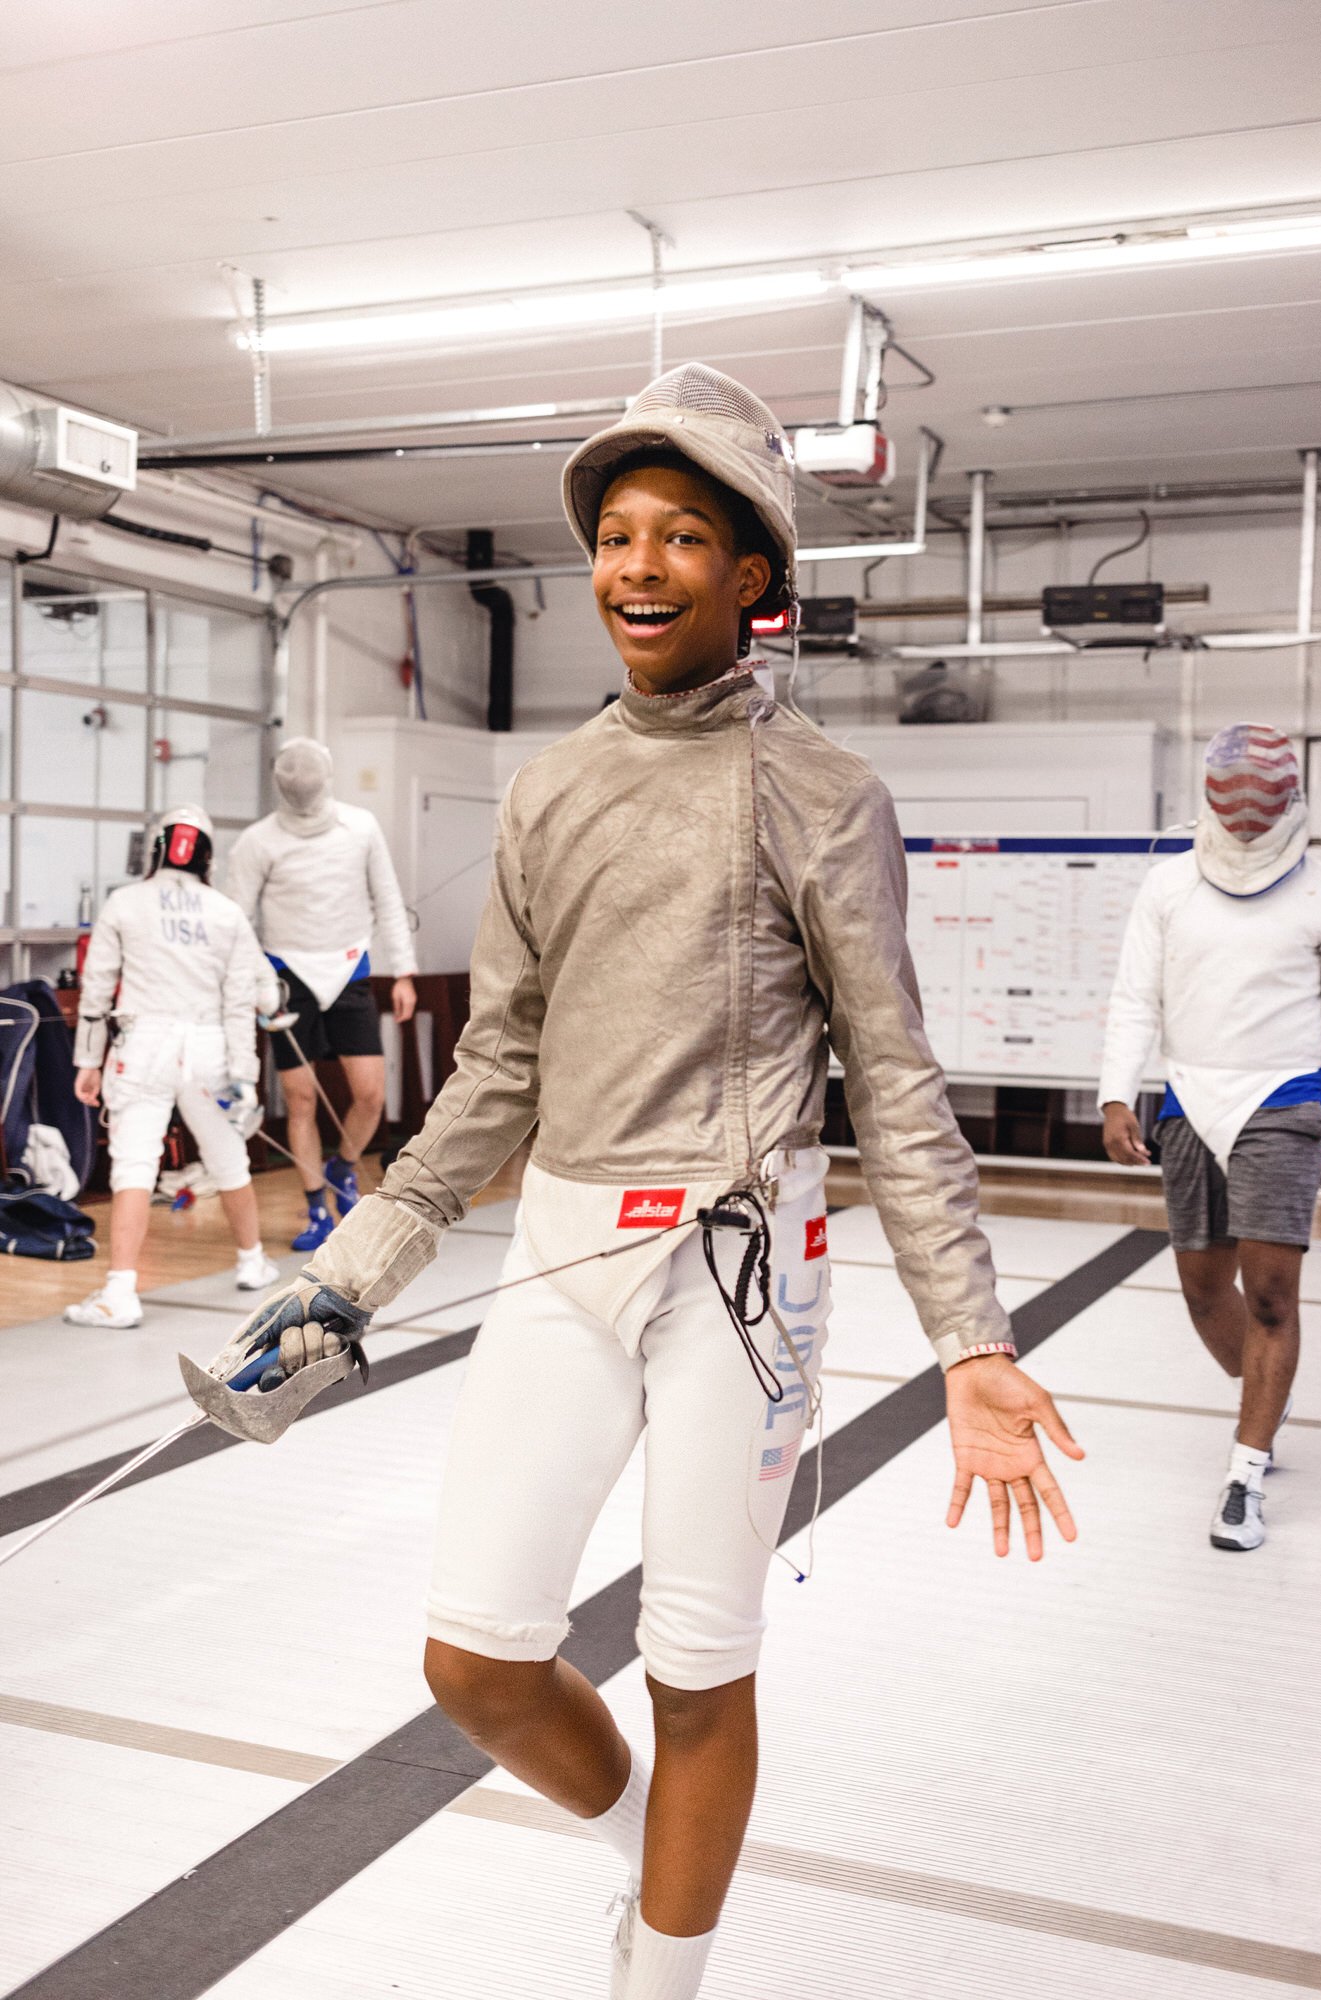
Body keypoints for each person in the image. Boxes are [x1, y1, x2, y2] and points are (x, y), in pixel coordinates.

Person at [233, 366, 1083, 2000]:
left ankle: (662, 1971)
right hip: (564, 1250)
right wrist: (353, 1275)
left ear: (751, 577)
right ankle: (655, 1866)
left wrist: (969, 1340)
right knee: (473, 1662)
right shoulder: (549, 792)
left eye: (680, 536)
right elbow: (498, 1071)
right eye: (614, 535)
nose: (633, 566)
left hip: (739, 1277)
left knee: (697, 1676)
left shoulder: (823, 798)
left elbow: (892, 1077)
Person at [1100, 722, 1321, 1551]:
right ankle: (1265, 1397)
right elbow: (1136, 997)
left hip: (1283, 1096)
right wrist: (1114, 1096)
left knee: (1270, 1295)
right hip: (1188, 1096)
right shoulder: (1168, 886)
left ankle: (1244, 1472)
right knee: (1205, 1293)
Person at [66, 804, 279, 1329]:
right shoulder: (226, 912)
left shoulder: (123, 902)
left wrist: (88, 1061)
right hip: (209, 1050)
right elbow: (254, 998)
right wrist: (246, 1078)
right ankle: (252, 1262)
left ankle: (120, 1291)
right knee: (228, 1158)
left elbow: (97, 988)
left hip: (142, 1047)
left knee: (134, 1166)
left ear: (157, 847)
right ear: (206, 857)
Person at [224, 738, 418, 1252]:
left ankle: (344, 1167)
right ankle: (316, 1207)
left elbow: (389, 900)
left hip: (351, 971)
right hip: (286, 977)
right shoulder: (257, 842)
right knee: (301, 1099)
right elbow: (236, 923)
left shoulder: (360, 828)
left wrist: (404, 973)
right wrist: (249, 985)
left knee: (370, 1094)